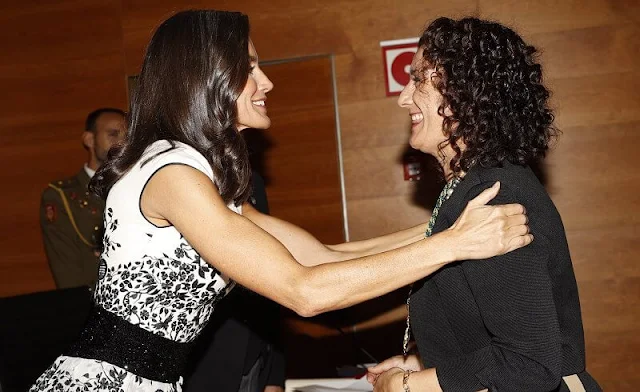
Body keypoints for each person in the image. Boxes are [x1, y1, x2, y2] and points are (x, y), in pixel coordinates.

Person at [29, 11, 532, 392]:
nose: (266, 80)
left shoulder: (196, 176)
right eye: (248, 67)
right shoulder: (173, 172)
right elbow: (304, 291)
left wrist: (447, 227)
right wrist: (453, 245)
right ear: (205, 77)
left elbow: (321, 257)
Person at [366, 17, 602, 392]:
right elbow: (483, 329)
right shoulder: (470, 189)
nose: (403, 97)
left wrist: (407, 385)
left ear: (466, 89)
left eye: (418, 78)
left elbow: (529, 366)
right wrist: (425, 361)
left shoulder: (496, 195)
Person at [185, 171, 285, 392]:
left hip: (255, 356)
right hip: (204, 364)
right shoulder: (186, 171)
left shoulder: (251, 179)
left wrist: (275, 373)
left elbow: (271, 271)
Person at [40, 108, 126, 289]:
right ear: (89, 140)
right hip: (94, 303)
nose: (122, 142)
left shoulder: (139, 187)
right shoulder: (62, 196)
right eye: (113, 134)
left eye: (127, 136)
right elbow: (68, 275)